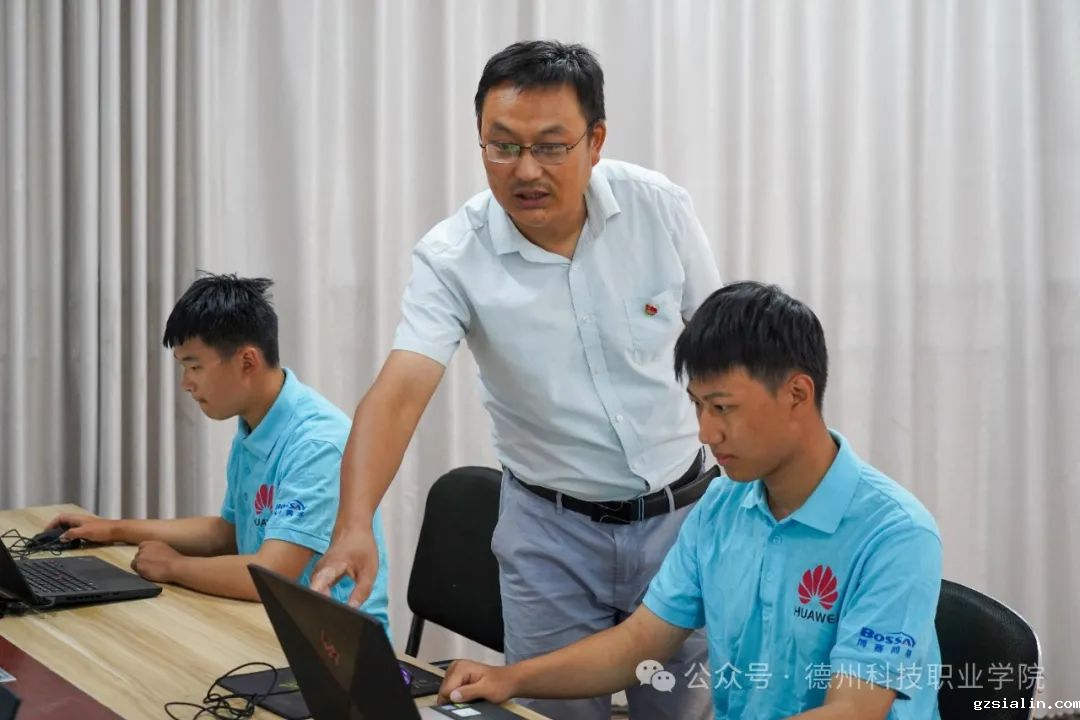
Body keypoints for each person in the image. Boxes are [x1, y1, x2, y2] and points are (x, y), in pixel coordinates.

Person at [312, 40, 720, 718]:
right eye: (502, 146)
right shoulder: (453, 256)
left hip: (683, 522)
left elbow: (725, 354)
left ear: (595, 141)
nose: (525, 169)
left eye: (551, 146)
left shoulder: (659, 209)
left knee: (687, 710)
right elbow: (399, 394)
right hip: (550, 538)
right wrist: (355, 523)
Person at [438, 281, 943, 719]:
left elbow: (854, 710)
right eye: (698, 406)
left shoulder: (894, 534)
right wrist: (511, 679)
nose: (705, 432)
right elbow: (640, 643)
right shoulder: (722, 507)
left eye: (723, 408)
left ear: (797, 394)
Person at [46, 274, 391, 634]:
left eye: (195, 367)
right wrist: (115, 528)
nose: (186, 383)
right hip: (271, 623)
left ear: (247, 361)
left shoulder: (317, 443)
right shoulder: (255, 424)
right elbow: (227, 532)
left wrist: (174, 566)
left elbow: (273, 572)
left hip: (336, 640)